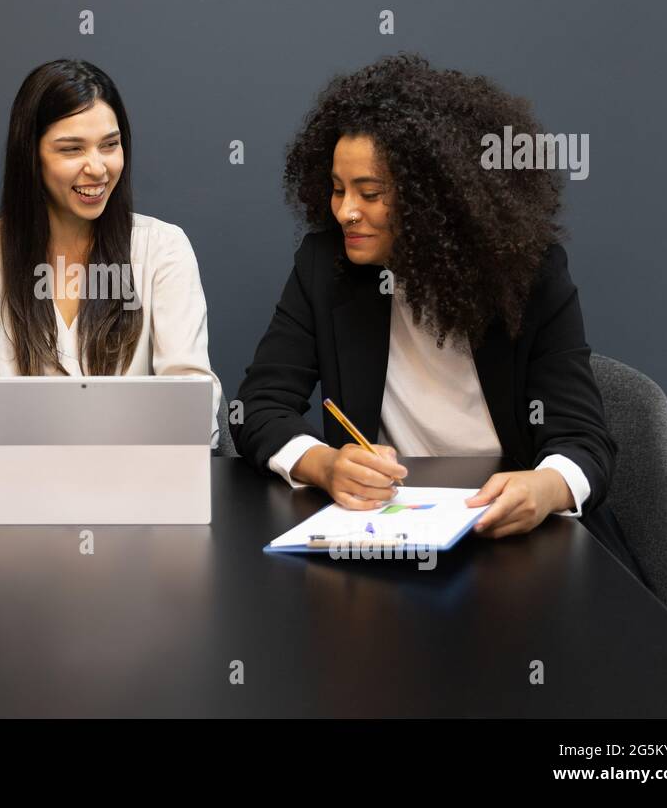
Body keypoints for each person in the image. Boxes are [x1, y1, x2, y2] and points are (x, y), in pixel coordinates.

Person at [232, 53, 642, 578]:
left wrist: (545, 488)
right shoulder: (323, 265)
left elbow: (585, 441)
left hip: (515, 543)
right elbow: (258, 407)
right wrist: (325, 464)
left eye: (370, 193)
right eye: (337, 189)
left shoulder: (530, 273)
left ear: (434, 198)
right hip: (384, 538)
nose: (344, 212)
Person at [0, 59, 221, 448]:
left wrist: (52, 426)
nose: (98, 168)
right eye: (71, 150)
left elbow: (193, 402)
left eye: (110, 145)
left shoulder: (163, 248)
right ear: (31, 157)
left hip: (137, 483)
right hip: (18, 483)